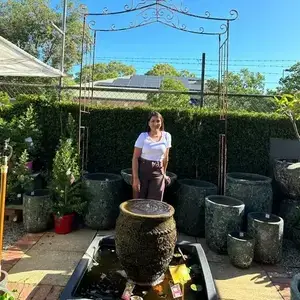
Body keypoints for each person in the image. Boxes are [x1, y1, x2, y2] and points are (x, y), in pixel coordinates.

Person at [132, 111, 172, 201]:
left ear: (161, 122)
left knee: (155, 203)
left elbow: (166, 158)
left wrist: (164, 174)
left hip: (158, 172)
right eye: (153, 121)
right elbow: (135, 158)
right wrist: (135, 178)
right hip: (142, 171)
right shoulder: (143, 137)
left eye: (158, 121)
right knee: (138, 201)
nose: (155, 123)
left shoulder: (167, 136)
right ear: (149, 123)